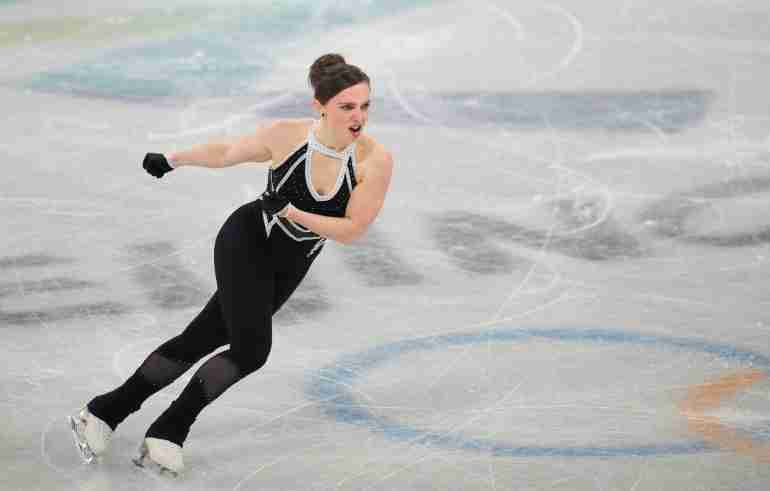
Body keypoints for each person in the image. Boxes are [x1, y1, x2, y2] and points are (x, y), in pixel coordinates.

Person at [69, 53, 393, 476]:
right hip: (246, 242)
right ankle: (169, 429)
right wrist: (172, 159)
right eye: (347, 106)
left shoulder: (374, 161)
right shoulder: (287, 135)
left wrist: (292, 213)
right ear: (321, 106)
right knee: (252, 350)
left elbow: (352, 229)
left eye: (365, 106)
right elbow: (228, 152)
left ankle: (103, 412)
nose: (358, 116)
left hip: (289, 266)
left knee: (198, 340)